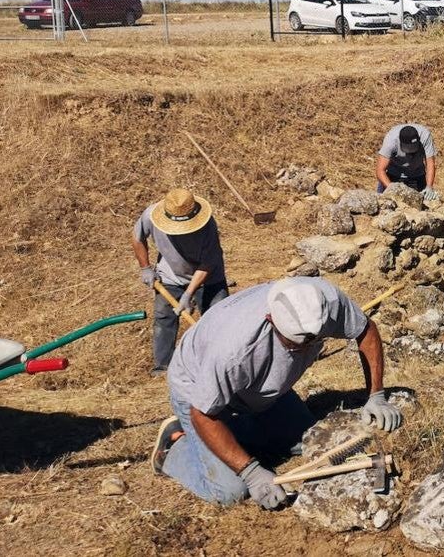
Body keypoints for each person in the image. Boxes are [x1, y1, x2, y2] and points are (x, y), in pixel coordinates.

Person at [150, 277, 404, 509]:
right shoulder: (233, 351)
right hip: (198, 392)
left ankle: (230, 437)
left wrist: (376, 395)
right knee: (230, 491)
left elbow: (365, 330)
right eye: (294, 344)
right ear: (271, 320)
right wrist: (251, 472)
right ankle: (175, 448)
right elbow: (203, 414)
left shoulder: (322, 301)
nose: (305, 348)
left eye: (312, 341)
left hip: (261, 392)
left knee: (309, 439)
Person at [132, 187, 229, 374]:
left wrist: (188, 294)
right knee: (164, 318)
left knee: (218, 319)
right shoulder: (150, 215)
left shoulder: (207, 226)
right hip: (170, 276)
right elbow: (137, 238)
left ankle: (219, 364)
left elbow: (208, 264)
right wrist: (145, 268)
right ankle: (163, 366)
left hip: (209, 279)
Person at [376, 123, 439, 199]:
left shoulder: (425, 136)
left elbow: (430, 164)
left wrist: (429, 187)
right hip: (393, 174)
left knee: (421, 204)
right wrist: (392, 190)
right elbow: (380, 170)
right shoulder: (391, 140)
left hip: (417, 174)